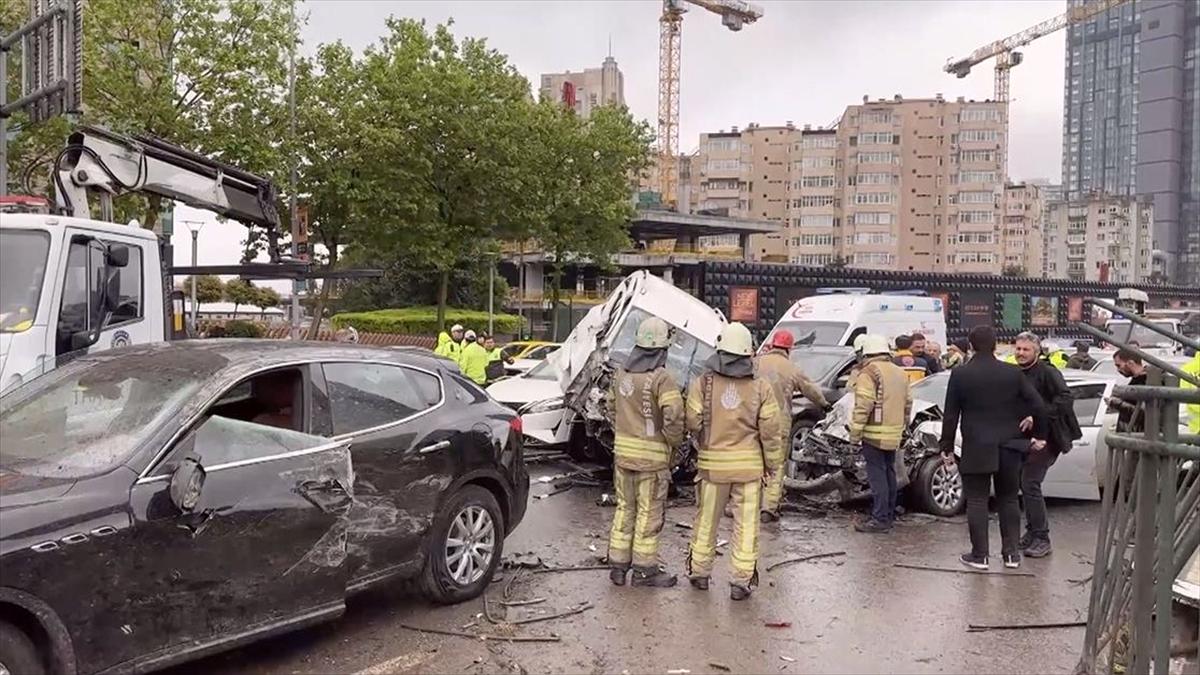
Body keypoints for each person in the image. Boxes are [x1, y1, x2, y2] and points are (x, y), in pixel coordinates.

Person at [686, 322, 783, 601]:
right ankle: (740, 582)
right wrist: (772, 465)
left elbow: (691, 420)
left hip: (712, 468)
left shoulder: (703, 383)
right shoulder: (760, 386)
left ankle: (699, 573)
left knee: (706, 522)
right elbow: (771, 431)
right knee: (746, 525)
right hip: (749, 470)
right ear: (748, 352)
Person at [940, 326, 1047, 570]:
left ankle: (980, 556)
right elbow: (1038, 405)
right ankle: (1011, 556)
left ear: (971, 346)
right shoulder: (1013, 373)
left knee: (977, 500)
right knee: (1009, 499)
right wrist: (1039, 435)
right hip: (1010, 445)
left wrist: (946, 445)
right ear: (996, 345)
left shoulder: (960, 374)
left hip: (977, 446)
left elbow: (951, 415)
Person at [607, 317, 686, 588]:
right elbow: (674, 415)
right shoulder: (662, 378)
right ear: (662, 350)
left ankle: (617, 567)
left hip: (622, 457)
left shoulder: (621, 373)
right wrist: (673, 442)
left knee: (624, 509)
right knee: (648, 514)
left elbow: (610, 407)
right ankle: (644, 571)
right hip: (651, 462)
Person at [1012, 331, 1078, 559]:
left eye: (1025, 349)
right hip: (1025, 439)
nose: (1020, 353)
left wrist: (1037, 415)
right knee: (1025, 483)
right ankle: (1032, 532)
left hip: (1049, 437)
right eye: (1018, 348)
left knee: (1030, 483)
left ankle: (1042, 537)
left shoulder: (1047, 372)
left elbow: (1065, 398)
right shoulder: (1017, 373)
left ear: (1037, 352)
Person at [756, 330, 832, 523]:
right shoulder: (791, 368)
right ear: (789, 349)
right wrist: (824, 405)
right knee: (775, 465)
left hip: (753, 422)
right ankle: (769, 508)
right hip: (778, 423)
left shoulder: (756, 363)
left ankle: (748, 503)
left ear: (772, 345)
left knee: (754, 462)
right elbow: (810, 388)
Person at [849, 334, 912, 533]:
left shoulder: (869, 372)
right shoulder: (899, 372)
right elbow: (908, 402)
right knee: (889, 472)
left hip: (874, 434)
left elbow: (863, 405)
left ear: (866, 352)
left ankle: (879, 519)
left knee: (877, 477)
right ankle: (889, 513)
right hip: (894, 432)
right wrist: (904, 425)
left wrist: (855, 433)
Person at [1109, 349, 1148, 433]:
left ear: (1130, 363)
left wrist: (1117, 403)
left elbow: (1144, 414)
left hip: (1138, 436)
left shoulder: (1146, 383)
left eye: (1119, 365)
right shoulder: (1137, 381)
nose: (1118, 370)